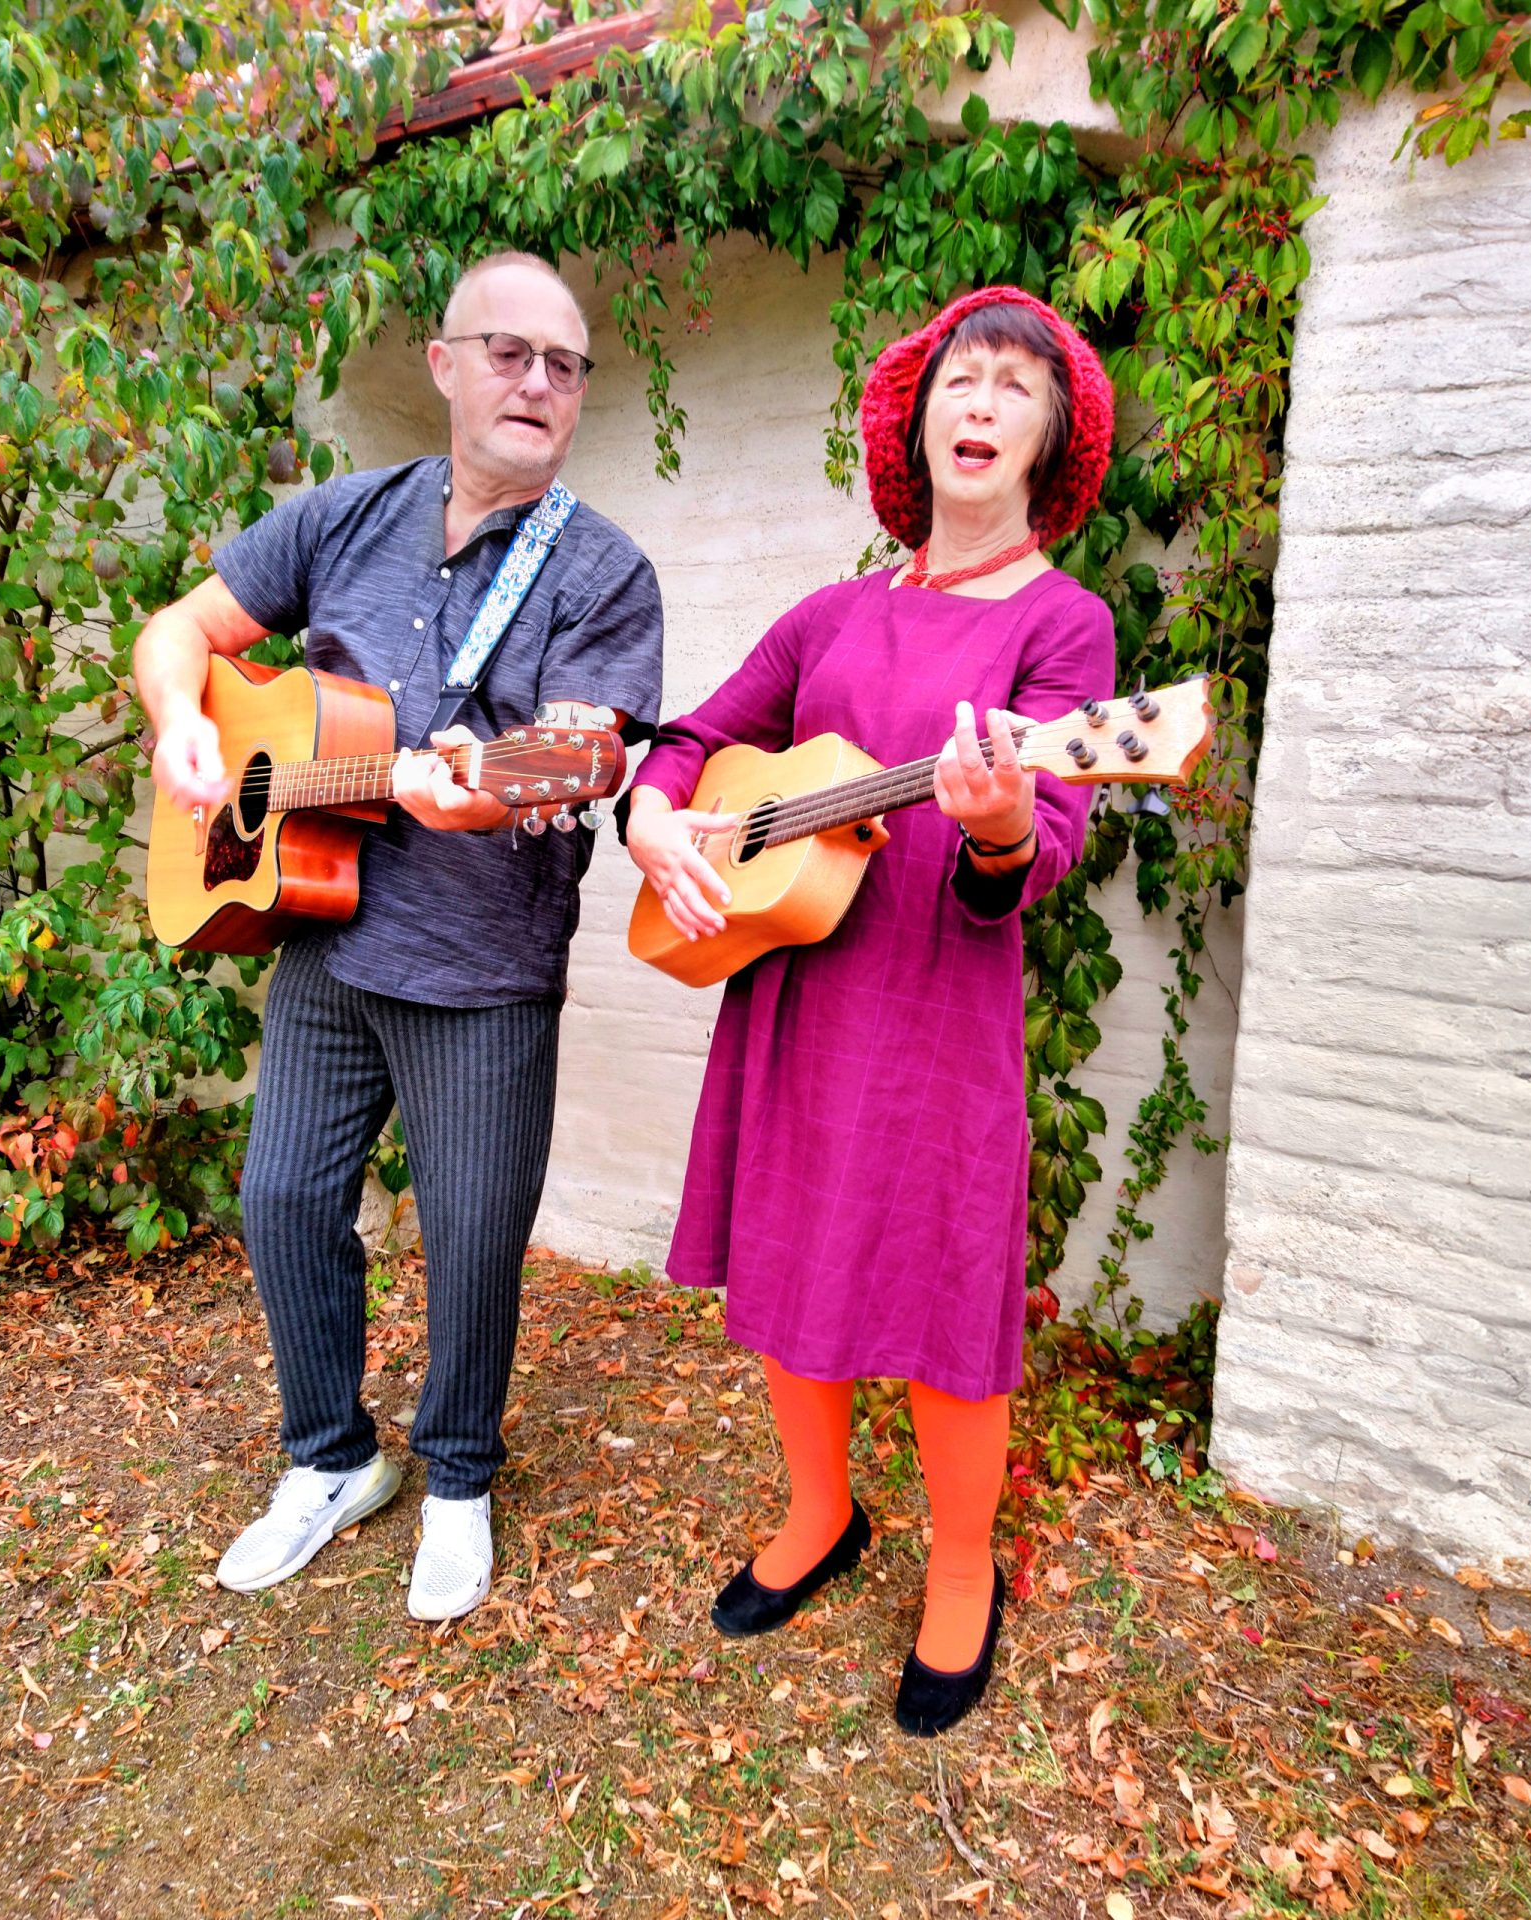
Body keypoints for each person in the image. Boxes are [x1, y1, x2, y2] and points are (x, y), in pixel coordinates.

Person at [134, 252, 663, 1621]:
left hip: (483, 972)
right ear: (444, 364)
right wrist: (187, 723)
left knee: (476, 1237)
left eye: (564, 365)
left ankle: (461, 1481)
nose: (536, 382)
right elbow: (180, 631)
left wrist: (484, 790)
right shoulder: (343, 517)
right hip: (321, 937)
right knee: (285, 1201)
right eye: (508, 351)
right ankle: (332, 1458)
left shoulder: (605, 574)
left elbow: (584, 757)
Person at [624, 285, 1115, 1734]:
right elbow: (704, 737)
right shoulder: (830, 612)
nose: (980, 404)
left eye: (1014, 391)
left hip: (936, 1023)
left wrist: (1002, 823)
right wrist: (656, 819)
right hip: (791, 998)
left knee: (944, 1288)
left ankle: (961, 1568)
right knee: (791, 1258)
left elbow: (1049, 845)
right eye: (962, 379)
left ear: (1049, 443)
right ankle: (821, 1511)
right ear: (917, 416)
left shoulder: (1064, 628)